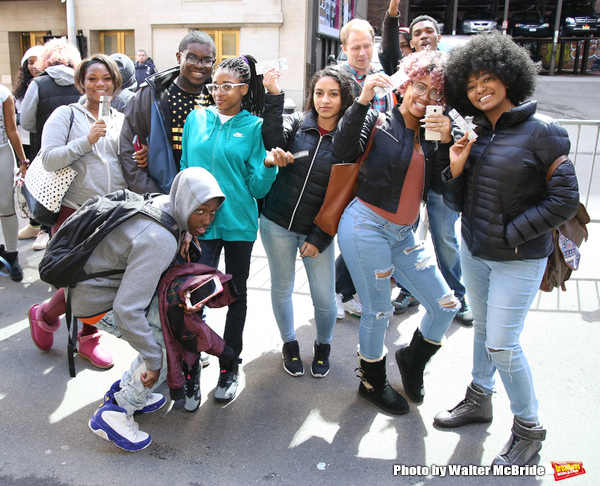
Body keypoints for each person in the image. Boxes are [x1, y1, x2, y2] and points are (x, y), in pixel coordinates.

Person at [434, 33, 579, 466]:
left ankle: (529, 430)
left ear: (510, 77)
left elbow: (564, 200)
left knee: (502, 344)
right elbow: (459, 201)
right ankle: (479, 398)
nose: (480, 89)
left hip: (519, 258)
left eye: (488, 79)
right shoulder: (476, 132)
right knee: (483, 330)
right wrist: (455, 168)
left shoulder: (545, 132)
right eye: (472, 83)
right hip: (475, 252)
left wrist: (512, 233)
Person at [35, 168, 227, 451]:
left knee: (171, 331)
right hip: (98, 301)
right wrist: (153, 359)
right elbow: (127, 311)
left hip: (102, 288)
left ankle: (134, 386)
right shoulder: (159, 239)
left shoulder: (166, 204)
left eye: (212, 211)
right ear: (185, 202)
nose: (207, 219)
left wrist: (187, 230)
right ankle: (116, 413)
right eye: (200, 210)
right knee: (168, 346)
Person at [335, 50, 460, 415]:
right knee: (378, 311)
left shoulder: (434, 134)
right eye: (419, 86)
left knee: (444, 305)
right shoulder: (378, 121)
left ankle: (412, 360)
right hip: (366, 226)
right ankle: (372, 383)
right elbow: (342, 148)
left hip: (404, 235)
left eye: (435, 93)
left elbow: (446, 191)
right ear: (404, 85)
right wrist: (360, 101)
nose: (425, 97)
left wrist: (451, 145)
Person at [180, 55, 293, 401]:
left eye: (227, 86)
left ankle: (230, 365)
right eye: (215, 85)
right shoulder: (196, 119)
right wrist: (183, 222)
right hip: (199, 226)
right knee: (191, 298)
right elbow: (185, 170)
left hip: (239, 224)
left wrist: (271, 166)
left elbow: (257, 188)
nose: (218, 92)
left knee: (236, 296)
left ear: (244, 89)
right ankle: (191, 369)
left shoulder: (255, 127)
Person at [27, 54, 128, 369]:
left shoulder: (119, 118)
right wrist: (86, 141)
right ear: (81, 82)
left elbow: (120, 162)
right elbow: (49, 159)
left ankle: (83, 334)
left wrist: (139, 158)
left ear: (115, 82)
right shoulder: (65, 115)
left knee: (103, 278)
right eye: (92, 78)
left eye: (107, 78)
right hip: (75, 212)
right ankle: (47, 317)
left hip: (113, 211)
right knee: (79, 278)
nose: (100, 84)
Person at [379, 1, 472, 325]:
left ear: (438, 35)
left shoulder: (452, 76)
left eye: (429, 31)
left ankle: (459, 296)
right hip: (410, 178)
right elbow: (389, 55)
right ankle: (406, 290)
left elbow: (464, 120)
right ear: (413, 41)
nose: (423, 36)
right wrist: (392, 16)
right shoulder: (409, 74)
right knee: (407, 239)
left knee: (445, 239)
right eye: (417, 32)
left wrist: (450, 134)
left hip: (441, 180)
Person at [260, 67, 355, 378]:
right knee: (282, 287)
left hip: (317, 232)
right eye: (319, 93)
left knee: (325, 299)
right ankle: (289, 344)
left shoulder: (348, 140)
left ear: (344, 98)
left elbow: (344, 195)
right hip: (276, 222)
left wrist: (321, 236)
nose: (324, 100)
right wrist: (274, 96)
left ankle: (323, 345)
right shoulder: (299, 124)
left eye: (333, 94)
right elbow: (272, 140)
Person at [334, 18, 395, 320]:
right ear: (343, 48)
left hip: (379, 168)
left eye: (367, 46)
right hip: (346, 166)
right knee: (343, 230)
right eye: (355, 47)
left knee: (360, 232)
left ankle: (343, 291)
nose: (362, 53)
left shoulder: (383, 77)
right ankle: (337, 293)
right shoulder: (336, 80)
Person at [120, 31, 216, 195]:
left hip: (209, 196)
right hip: (162, 195)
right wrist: (153, 196)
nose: (199, 65)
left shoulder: (218, 96)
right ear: (179, 57)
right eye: (192, 57)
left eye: (207, 60)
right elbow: (129, 148)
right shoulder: (151, 95)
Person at [20, 38, 82, 251]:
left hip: (46, 151)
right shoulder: (82, 81)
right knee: (72, 202)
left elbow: (27, 121)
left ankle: (45, 233)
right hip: (79, 152)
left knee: (49, 199)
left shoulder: (38, 83)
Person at [12, 45, 44, 243]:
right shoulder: (21, 89)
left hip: (38, 141)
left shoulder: (44, 84)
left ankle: (43, 229)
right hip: (22, 142)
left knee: (42, 186)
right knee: (27, 184)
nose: (33, 66)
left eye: (37, 61)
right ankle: (34, 224)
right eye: (30, 62)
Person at [0, 83, 28, 282]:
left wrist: (23, 160)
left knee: (5, 205)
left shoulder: (3, 94)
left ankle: (12, 254)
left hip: (1, 151)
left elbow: (12, 129)